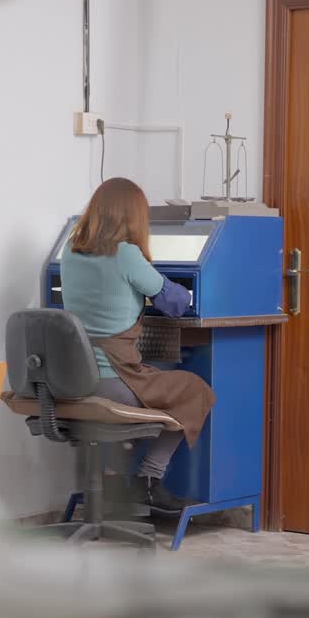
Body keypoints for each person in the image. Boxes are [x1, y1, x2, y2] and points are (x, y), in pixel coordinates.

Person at [60, 178, 215, 515]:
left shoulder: (69, 251)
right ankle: (150, 481)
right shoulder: (126, 255)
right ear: (132, 217)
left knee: (158, 382)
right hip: (114, 381)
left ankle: (115, 478)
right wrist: (190, 292)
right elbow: (173, 302)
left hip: (73, 380)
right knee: (194, 390)